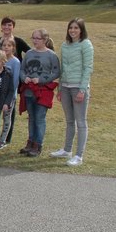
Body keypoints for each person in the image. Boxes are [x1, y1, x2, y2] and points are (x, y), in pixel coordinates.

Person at [50, 18, 94, 166]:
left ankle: (78, 156)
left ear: (81, 30)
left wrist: (82, 89)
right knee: (69, 121)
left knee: (81, 122)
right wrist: (60, 88)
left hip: (78, 87)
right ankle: (67, 150)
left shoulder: (86, 44)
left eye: (76, 28)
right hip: (66, 87)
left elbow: (88, 68)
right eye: (71, 28)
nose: (73, 30)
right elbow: (63, 68)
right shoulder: (65, 45)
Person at [19, 29, 61, 157]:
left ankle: (38, 144)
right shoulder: (29, 53)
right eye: (34, 38)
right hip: (29, 90)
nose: (35, 41)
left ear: (45, 40)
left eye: (38, 38)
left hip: (43, 92)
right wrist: (24, 78)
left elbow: (56, 72)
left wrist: (42, 80)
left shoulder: (51, 55)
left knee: (39, 118)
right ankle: (30, 142)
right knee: (31, 117)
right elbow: (22, 69)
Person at [0, 38, 21, 148]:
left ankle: (3, 140)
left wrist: (10, 95)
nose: (6, 47)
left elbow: (16, 80)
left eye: (9, 45)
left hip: (9, 95)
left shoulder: (15, 62)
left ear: (13, 48)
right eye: (4, 45)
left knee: (7, 117)